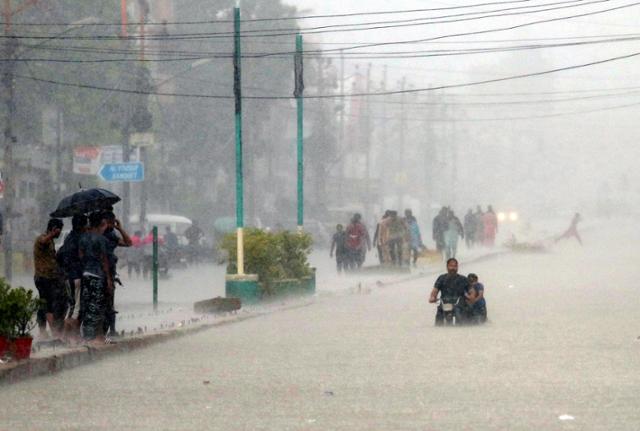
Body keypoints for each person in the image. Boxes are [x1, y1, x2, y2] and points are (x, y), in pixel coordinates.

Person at [79, 212, 112, 345]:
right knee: (96, 305)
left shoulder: (83, 238)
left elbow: (80, 255)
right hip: (97, 275)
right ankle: (92, 338)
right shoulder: (101, 239)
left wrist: (88, 262)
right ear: (101, 224)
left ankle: (86, 335)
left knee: (87, 304)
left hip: (85, 274)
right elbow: (104, 260)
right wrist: (109, 278)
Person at [33, 218, 66, 340]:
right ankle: (54, 335)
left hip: (49, 278)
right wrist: (51, 234)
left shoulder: (51, 241)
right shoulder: (42, 238)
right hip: (42, 278)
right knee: (47, 306)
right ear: (53, 229)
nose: (60, 233)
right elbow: (42, 241)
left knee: (43, 305)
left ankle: (43, 332)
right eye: (59, 231)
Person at [57, 214, 87, 344]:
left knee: (73, 306)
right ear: (81, 225)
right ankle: (71, 337)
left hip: (68, 276)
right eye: (85, 224)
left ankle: (66, 337)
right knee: (75, 308)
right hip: (76, 277)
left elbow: (59, 255)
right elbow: (83, 257)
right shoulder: (80, 239)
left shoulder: (68, 238)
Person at [102, 211, 132, 338]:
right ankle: (102, 332)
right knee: (103, 303)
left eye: (113, 222)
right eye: (109, 222)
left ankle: (111, 330)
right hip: (101, 272)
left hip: (109, 272)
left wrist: (120, 229)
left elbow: (128, 243)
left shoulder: (111, 235)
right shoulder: (97, 235)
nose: (111, 224)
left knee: (109, 303)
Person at [428, 258, 473, 326]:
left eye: (455, 266)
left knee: (463, 316)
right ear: (447, 267)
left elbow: (471, 291)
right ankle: (438, 330)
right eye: (451, 266)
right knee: (439, 316)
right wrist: (432, 297)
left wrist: (471, 296)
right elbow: (435, 290)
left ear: (457, 267)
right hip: (444, 303)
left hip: (459, 304)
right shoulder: (441, 278)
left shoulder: (463, 279)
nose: (453, 268)